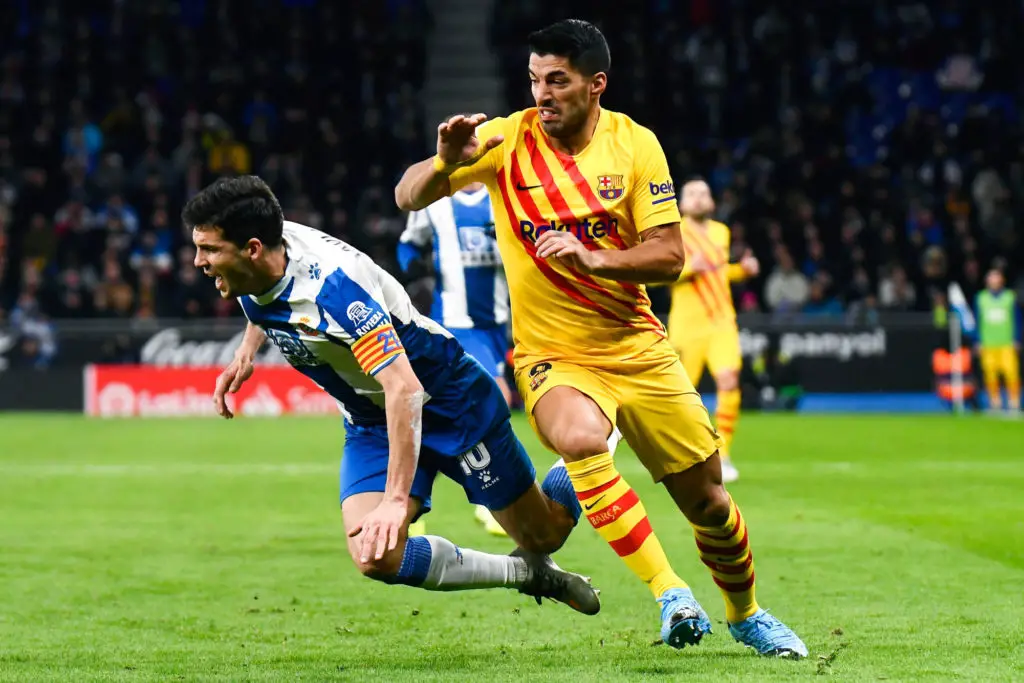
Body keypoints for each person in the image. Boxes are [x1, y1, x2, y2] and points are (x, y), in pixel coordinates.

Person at [394, 19, 806, 658]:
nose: (542, 94)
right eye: (535, 79)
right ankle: (671, 593)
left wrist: (594, 259)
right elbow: (407, 195)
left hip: (637, 347)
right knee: (583, 439)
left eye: (557, 80)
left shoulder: (636, 146)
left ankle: (745, 613)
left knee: (709, 503)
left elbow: (669, 255)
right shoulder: (505, 139)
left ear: (596, 84)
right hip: (552, 355)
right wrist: (445, 162)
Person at [185, 175, 600, 618]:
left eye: (209, 250)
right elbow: (268, 293)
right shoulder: (264, 252)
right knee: (375, 554)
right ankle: (528, 575)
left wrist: (396, 501)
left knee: (545, 534)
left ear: (251, 248)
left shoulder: (336, 293)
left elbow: (405, 389)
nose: (198, 262)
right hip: (372, 418)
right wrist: (247, 351)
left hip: (448, 401)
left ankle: (595, 439)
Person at [398, 182, 511, 537]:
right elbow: (407, 244)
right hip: (455, 323)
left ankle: (409, 503)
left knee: (440, 417)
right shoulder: (435, 202)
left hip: (500, 323)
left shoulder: (504, 196)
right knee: (496, 396)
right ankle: (491, 501)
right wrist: (414, 270)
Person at [668, 178, 759, 482]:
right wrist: (689, 268)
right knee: (681, 395)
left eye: (703, 193)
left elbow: (718, 273)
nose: (698, 198)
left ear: (712, 201)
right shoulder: (672, 232)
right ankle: (681, 452)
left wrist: (741, 271)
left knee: (729, 380)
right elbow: (657, 274)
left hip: (722, 322)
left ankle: (723, 453)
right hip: (687, 326)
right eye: (692, 194)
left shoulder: (722, 232)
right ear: (681, 203)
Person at [975, 268, 1021, 412]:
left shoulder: (1010, 297)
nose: (994, 281)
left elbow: (1017, 319)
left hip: (1007, 343)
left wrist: (1017, 338)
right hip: (988, 343)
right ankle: (995, 402)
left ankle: (1014, 402)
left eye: (997, 277)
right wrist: (978, 340)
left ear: (1002, 280)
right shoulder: (981, 298)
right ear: (987, 281)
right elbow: (977, 321)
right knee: (990, 374)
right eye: (991, 278)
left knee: (1011, 373)